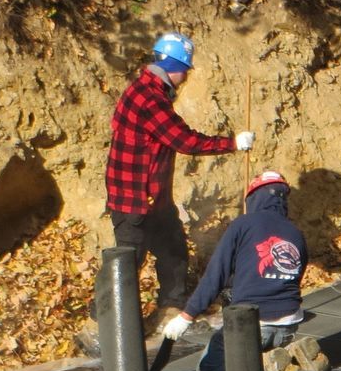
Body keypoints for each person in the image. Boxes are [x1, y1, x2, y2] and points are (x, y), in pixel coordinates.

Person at [106, 31, 255, 332]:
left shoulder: (145, 88)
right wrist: (233, 143)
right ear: (175, 66)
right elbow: (184, 141)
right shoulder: (150, 99)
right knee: (126, 265)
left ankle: (170, 310)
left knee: (173, 250)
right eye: (186, 69)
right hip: (133, 198)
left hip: (153, 197)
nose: (186, 75)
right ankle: (104, 323)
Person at [163, 170, 328, 371]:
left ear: (254, 197)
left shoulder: (243, 224)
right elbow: (293, 278)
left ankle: (265, 366)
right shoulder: (295, 232)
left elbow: (215, 275)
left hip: (253, 326)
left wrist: (186, 316)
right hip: (288, 326)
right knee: (253, 354)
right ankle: (289, 357)